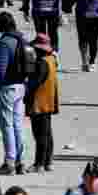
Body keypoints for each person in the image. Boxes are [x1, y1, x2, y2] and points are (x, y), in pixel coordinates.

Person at [0, 11, 29, 176]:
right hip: (21, 86)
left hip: (7, 88)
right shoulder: (22, 38)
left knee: (7, 125)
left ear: (1, 26)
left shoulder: (5, 42)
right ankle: (21, 162)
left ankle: (9, 163)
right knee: (18, 124)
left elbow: (0, 68)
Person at [25, 34, 59, 173]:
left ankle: (39, 163)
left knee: (40, 134)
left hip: (40, 102)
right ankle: (48, 162)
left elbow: (35, 83)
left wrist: (26, 90)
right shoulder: (52, 59)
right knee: (47, 133)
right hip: (49, 101)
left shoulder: (41, 62)